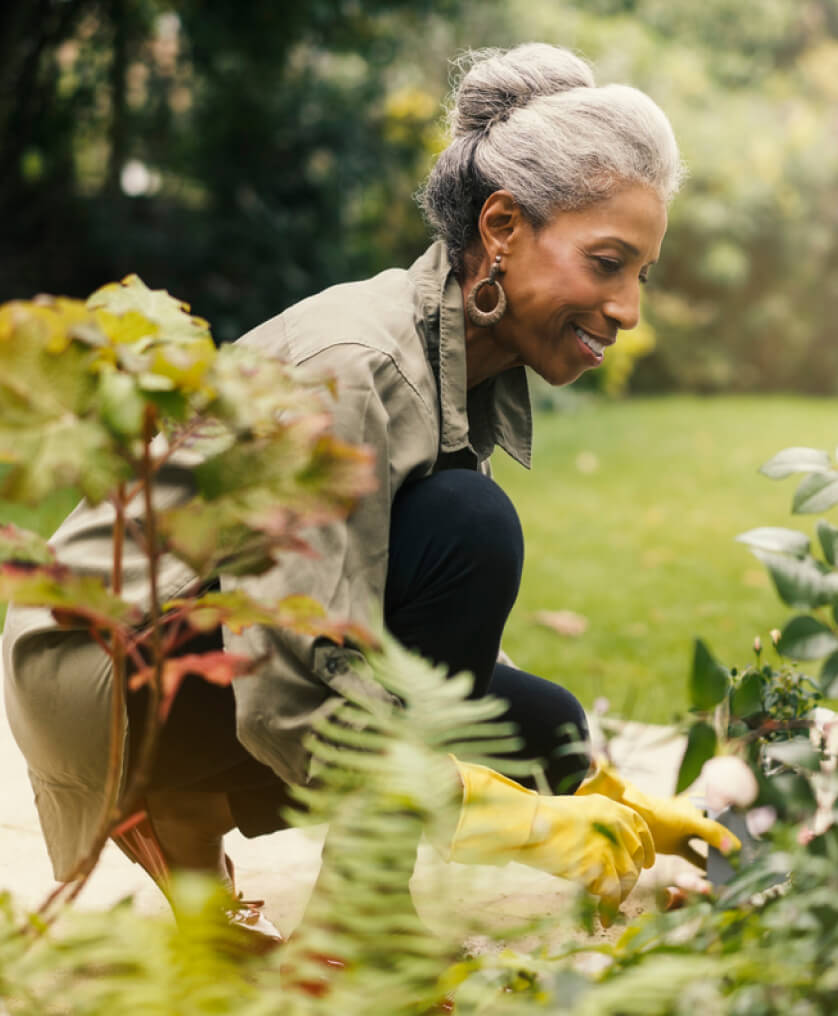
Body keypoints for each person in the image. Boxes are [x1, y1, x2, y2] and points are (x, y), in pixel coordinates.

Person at [2, 43, 737, 944]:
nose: (628, 310)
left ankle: (185, 811)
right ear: (501, 227)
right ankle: (352, 922)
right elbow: (285, 684)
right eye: (609, 263)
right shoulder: (359, 366)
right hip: (99, 675)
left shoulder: (458, 359)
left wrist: (592, 797)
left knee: (547, 729)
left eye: (642, 275)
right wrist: (510, 820)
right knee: (472, 527)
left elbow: (395, 624)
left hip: (203, 643)